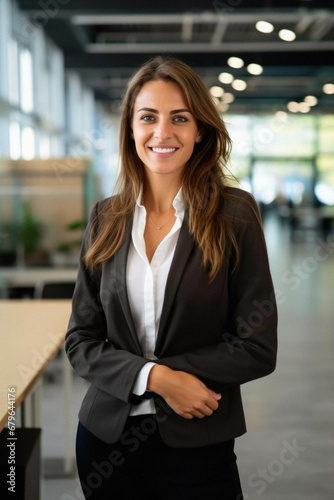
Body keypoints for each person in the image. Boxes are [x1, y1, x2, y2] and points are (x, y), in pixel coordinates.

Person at [65, 55, 277, 500]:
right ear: (131, 128)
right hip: (105, 443)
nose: (162, 133)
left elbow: (257, 347)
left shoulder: (234, 214)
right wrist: (155, 378)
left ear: (200, 130)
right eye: (148, 117)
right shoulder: (105, 218)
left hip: (197, 444)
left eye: (179, 118)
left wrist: (170, 375)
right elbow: (81, 342)